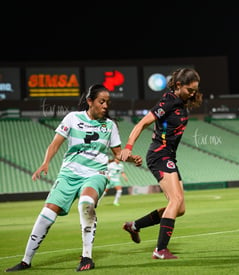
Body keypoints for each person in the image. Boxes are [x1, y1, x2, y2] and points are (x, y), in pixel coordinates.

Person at [5, 84, 142, 272]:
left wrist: (132, 159)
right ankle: (25, 261)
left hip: (96, 173)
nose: (105, 106)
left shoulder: (110, 126)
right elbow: (54, 145)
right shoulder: (72, 118)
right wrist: (45, 163)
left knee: (86, 203)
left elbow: (118, 154)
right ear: (89, 101)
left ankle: (87, 257)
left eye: (107, 103)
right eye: (101, 102)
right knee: (46, 215)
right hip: (69, 174)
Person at [120, 68, 203, 260]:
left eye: (195, 90)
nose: (193, 93)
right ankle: (160, 250)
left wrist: (190, 97)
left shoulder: (182, 101)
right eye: (190, 89)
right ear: (178, 85)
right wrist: (129, 147)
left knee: (179, 208)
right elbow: (142, 123)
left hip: (169, 156)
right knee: (175, 200)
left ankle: (134, 225)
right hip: (159, 155)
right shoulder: (168, 101)